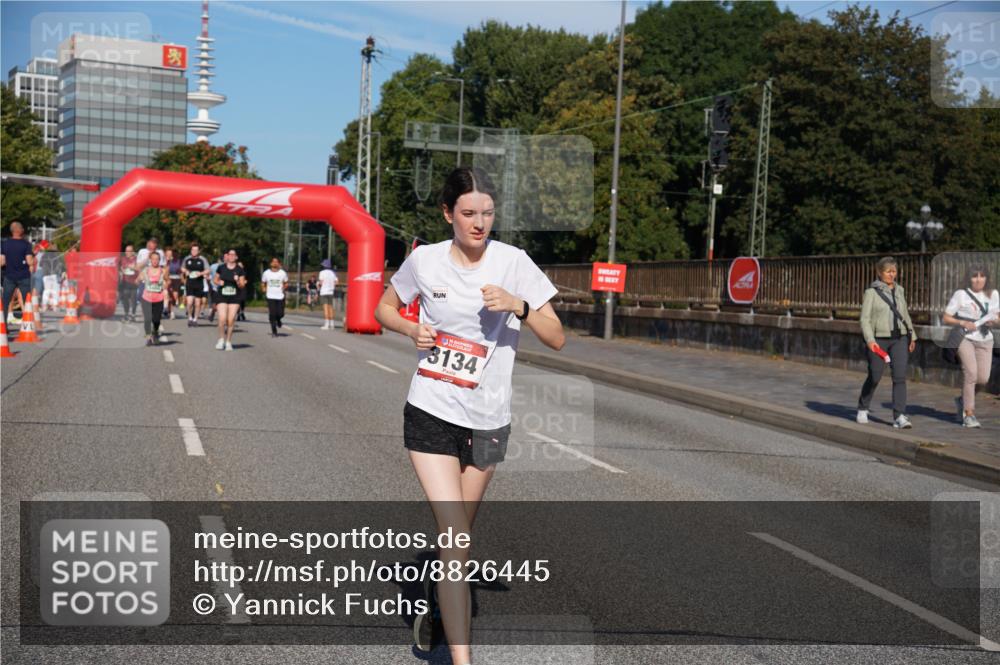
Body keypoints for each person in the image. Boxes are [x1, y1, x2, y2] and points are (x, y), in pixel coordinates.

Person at [374, 167, 565, 663]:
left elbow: (557, 336)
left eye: (487, 213)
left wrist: (519, 305)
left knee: (456, 540)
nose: (479, 223)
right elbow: (383, 307)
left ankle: (438, 609)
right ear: (447, 214)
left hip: (487, 418)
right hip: (431, 409)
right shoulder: (425, 261)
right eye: (468, 213)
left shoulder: (513, 262)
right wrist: (407, 329)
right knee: (455, 534)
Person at [857, 256, 918, 429]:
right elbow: (865, 319)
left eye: (894, 271)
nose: (892, 275)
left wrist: (912, 335)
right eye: (888, 271)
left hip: (900, 339)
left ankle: (899, 416)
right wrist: (870, 340)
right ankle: (863, 406)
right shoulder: (871, 292)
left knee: (899, 377)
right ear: (879, 272)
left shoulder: (900, 290)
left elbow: (905, 314)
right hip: (878, 341)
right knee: (875, 375)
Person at [943, 265, 999, 428]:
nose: (979, 279)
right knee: (971, 373)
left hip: (985, 339)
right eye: (975, 276)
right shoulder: (961, 294)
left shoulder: (993, 294)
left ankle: (962, 400)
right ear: (969, 278)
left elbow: (998, 317)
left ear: (987, 278)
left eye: (982, 276)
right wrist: (962, 322)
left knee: (983, 378)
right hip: (965, 338)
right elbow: (946, 317)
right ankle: (969, 414)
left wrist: (994, 321)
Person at [213, 249, 246, 351]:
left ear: (236, 257)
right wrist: (219, 283)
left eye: (233, 255)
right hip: (222, 295)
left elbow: (242, 285)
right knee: (222, 319)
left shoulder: (239, 270)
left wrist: (238, 281)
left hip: (234, 297)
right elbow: (215, 279)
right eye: (229, 254)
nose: (231, 256)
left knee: (230, 320)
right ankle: (221, 339)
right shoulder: (221, 267)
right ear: (227, 256)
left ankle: (228, 342)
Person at [1, 222, 36, 315]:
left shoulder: (5, 244)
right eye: (22, 229)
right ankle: (28, 325)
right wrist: (34, 257)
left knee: (5, 302)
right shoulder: (26, 244)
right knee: (27, 301)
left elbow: (2, 262)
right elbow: (29, 261)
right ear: (19, 230)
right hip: (24, 276)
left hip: (9, 276)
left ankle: (3, 326)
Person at [137, 250, 167, 346]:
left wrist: (165, 284)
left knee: (156, 320)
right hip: (146, 298)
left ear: (159, 260)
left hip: (159, 298)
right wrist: (139, 279)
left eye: (157, 259)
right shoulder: (146, 270)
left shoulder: (163, 271)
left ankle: (155, 333)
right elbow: (138, 279)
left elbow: (168, 281)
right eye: (153, 259)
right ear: (150, 260)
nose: (155, 261)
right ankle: (148, 337)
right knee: (147, 319)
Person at [182, 244, 209, 327]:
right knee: (189, 302)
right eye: (193, 250)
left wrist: (201, 273)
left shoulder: (202, 259)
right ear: (191, 251)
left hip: (199, 283)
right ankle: (190, 318)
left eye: (196, 250)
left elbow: (208, 270)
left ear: (198, 251)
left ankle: (195, 319)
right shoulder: (187, 259)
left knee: (197, 304)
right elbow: (182, 268)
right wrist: (185, 271)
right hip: (189, 283)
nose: (194, 252)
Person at [261, 257, 289, 337]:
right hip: (270, 296)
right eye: (273, 262)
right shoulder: (266, 273)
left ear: (279, 264)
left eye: (276, 262)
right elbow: (263, 282)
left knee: (280, 313)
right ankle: (274, 331)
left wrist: (284, 287)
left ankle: (278, 320)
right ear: (271, 264)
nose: (275, 263)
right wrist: (263, 288)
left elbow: (286, 283)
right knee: (272, 314)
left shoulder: (282, 273)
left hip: (280, 296)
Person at [118, 244, 140, 321]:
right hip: (125, 281)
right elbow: (119, 267)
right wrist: (121, 270)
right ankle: (126, 313)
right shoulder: (123, 259)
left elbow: (140, 268)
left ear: (133, 252)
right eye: (126, 251)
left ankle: (133, 314)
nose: (127, 252)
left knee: (133, 299)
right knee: (125, 299)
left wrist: (133, 267)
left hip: (134, 281)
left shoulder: (137, 259)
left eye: (129, 251)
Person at [318, 259, 338, 330]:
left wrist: (319, 285)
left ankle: (326, 324)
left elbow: (321, 282)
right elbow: (336, 282)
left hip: (324, 291)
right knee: (331, 307)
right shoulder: (333, 273)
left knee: (325, 307)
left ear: (324, 266)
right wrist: (332, 286)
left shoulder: (322, 273)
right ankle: (332, 324)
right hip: (331, 292)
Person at [164, 248, 182, 320]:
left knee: (174, 296)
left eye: (170, 254)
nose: (169, 256)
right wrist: (167, 263)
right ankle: (169, 311)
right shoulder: (163, 261)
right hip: (166, 279)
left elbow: (181, 271)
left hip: (176, 279)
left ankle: (170, 310)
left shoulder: (179, 261)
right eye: (167, 254)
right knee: (167, 295)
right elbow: (163, 271)